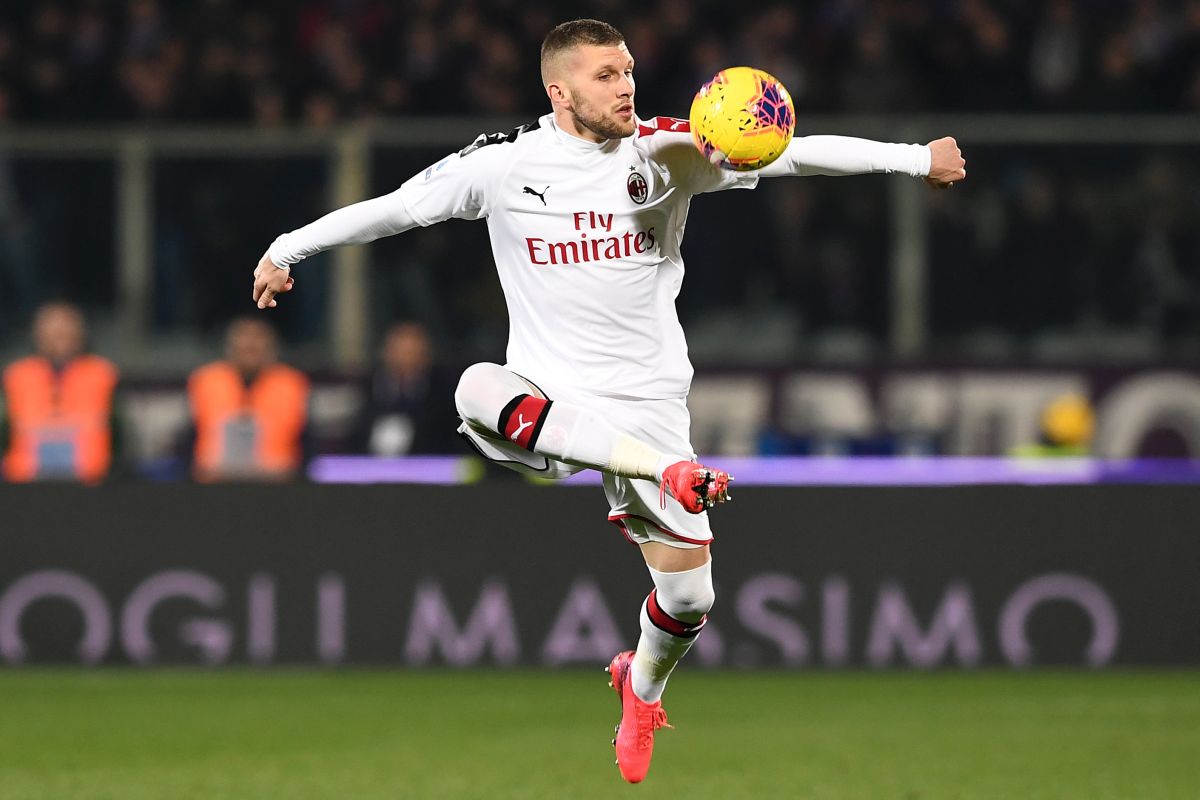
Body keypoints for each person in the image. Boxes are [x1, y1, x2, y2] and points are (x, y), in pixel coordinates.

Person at [252, 19, 966, 783]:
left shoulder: (667, 151)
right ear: (559, 92)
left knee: (688, 598)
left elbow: (794, 154)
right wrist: (287, 248)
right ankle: (665, 472)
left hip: (647, 402)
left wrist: (915, 157)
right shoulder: (503, 164)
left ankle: (641, 687)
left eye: (627, 70)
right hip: (545, 401)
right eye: (605, 75)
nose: (626, 86)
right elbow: (395, 208)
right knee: (473, 386)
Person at [1, 301, 121, 484]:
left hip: (91, 483)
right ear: (37, 334)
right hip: (24, 484)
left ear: (80, 333)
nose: (59, 335)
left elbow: (120, 436)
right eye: (52, 329)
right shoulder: (16, 376)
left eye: (66, 328)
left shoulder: (104, 374)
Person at [185, 317, 311, 482]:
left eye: (257, 342)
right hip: (213, 481)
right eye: (243, 342)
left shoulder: (292, 383)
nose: (250, 345)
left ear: (272, 349)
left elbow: (307, 440)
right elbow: (189, 437)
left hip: (278, 482)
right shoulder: (205, 381)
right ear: (229, 348)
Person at [352, 320, 459, 456]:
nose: (407, 359)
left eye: (413, 353)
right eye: (401, 352)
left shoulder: (444, 393)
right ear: (387, 353)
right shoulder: (366, 390)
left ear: (425, 356)